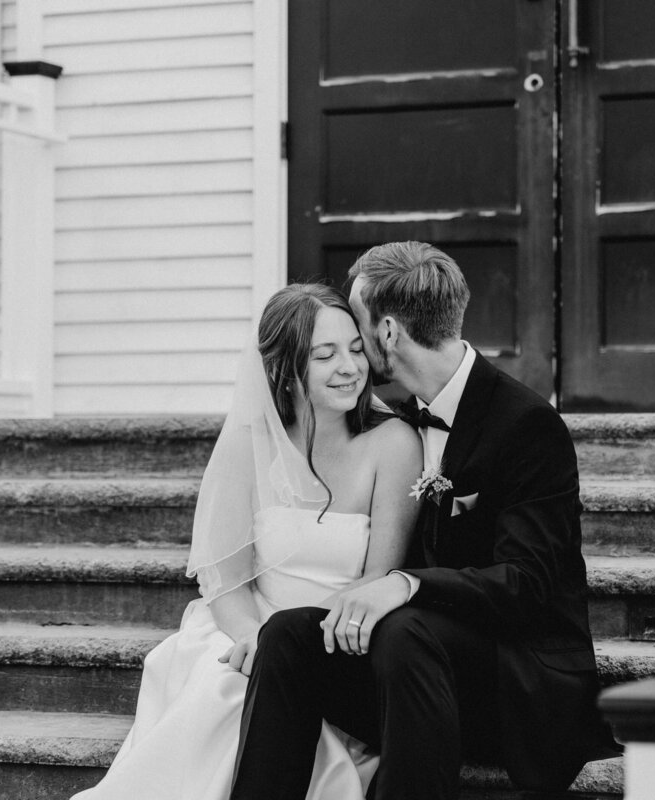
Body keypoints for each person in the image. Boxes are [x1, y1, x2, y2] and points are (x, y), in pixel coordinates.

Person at [231, 242, 614, 800]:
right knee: (287, 634)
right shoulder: (397, 422)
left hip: (513, 687)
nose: (355, 355)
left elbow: (525, 585)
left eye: (359, 333)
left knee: (405, 627)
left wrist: (405, 583)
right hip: (411, 679)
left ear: (388, 333)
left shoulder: (527, 425)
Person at [71, 283, 422, 800]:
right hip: (245, 626)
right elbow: (228, 582)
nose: (350, 367)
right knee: (225, 689)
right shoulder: (247, 444)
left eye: (354, 349)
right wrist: (256, 640)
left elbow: (377, 579)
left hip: (334, 639)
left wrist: (292, 647)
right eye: (325, 355)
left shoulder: (392, 445)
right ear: (284, 368)